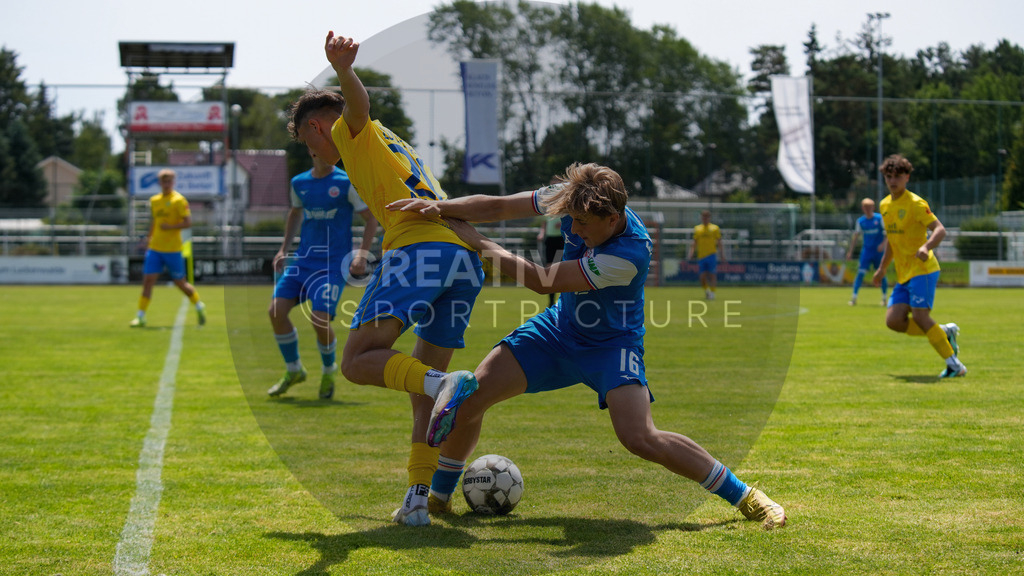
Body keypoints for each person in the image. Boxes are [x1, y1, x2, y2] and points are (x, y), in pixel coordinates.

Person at [389, 162, 787, 529]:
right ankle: (440, 498)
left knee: (639, 437)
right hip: (557, 331)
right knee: (471, 398)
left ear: (612, 219)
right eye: (572, 220)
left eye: (582, 223)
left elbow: (543, 280)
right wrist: (439, 207)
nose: (573, 229)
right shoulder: (571, 196)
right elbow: (497, 205)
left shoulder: (629, 254)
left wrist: (477, 241)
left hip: (611, 346)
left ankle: (746, 496)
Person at [287, 31, 485, 526]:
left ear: (315, 127)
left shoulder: (351, 132)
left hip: (420, 250)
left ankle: (448, 381)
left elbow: (355, 106)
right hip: (461, 260)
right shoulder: (388, 141)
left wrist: (344, 70)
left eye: (303, 142)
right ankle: (418, 501)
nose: (311, 152)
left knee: (356, 361)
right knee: (422, 394)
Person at [266, 153, 378, 400]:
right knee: (276, 311)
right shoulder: (299, 182)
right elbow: (295, 212)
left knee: (319, 319)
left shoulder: (346, 182)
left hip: (332, 265)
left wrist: (361, 254)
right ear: (310, 149)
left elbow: (371, 219)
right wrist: (284, 249)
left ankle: (328, 371)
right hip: (303, 261)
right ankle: (294, 370)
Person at [872, 154, 966, 379]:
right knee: (893, 321)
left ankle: (955, 365)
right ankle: (943, 332)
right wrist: (882, 268)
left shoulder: (915, 203)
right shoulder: (884, 205)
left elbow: (940, 229)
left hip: (923, 269)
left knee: (922, 318)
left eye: (897, 176)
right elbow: (892, 242)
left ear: (907, 177)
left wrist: (926, 247)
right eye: (889, 176)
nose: (893, 181)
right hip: (904, 273)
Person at [130, 168, 206, 327]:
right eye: (163, 181)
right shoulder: (154, 200)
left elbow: (188, 222)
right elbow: (155, 223)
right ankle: (140, 316)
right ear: (159, 183)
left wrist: (170, 227)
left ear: (173, 182)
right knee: (148, 281)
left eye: (169, 181)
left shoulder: (179, 200)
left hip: (173, 249)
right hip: (155, 248)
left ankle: (199, 305)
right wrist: (147, 240)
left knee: (180, 283)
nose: (166, 184)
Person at [845, 198, 888, 306]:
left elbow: (887, 234)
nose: (868, 209)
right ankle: (854, 298)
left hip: (878, 252)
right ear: (863, 208)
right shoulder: (861, 221)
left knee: (881, 273)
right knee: (860, 273)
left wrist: (882, 245)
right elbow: (855, 237)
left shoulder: (879, 219)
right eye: (865, 207)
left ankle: (884, 298)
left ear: (873, 207)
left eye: (869, 207)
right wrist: (850, 252)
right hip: (867, 251)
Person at [686, 210, 724, 300]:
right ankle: (707, 291)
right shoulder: (698, 229)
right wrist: (691, 253)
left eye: (707, 217)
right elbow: (694, 243)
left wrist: (722, 254)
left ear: (709, 218)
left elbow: (719, 242)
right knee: (702, 276)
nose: (705, 219)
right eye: (704, 217)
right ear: (701, 218)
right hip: (701, 256)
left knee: (712, 274)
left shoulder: (715, 228)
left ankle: (713, 293)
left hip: (711, 255)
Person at [536, 212, 564, 307]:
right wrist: (541, 233)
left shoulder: (564, 209)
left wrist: (562, 224)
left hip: (561, 239)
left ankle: (563, 302)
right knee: (550, 271)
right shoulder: (549, 209)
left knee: (560, 270)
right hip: (550, 240)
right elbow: (544, 223)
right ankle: (551, 302)